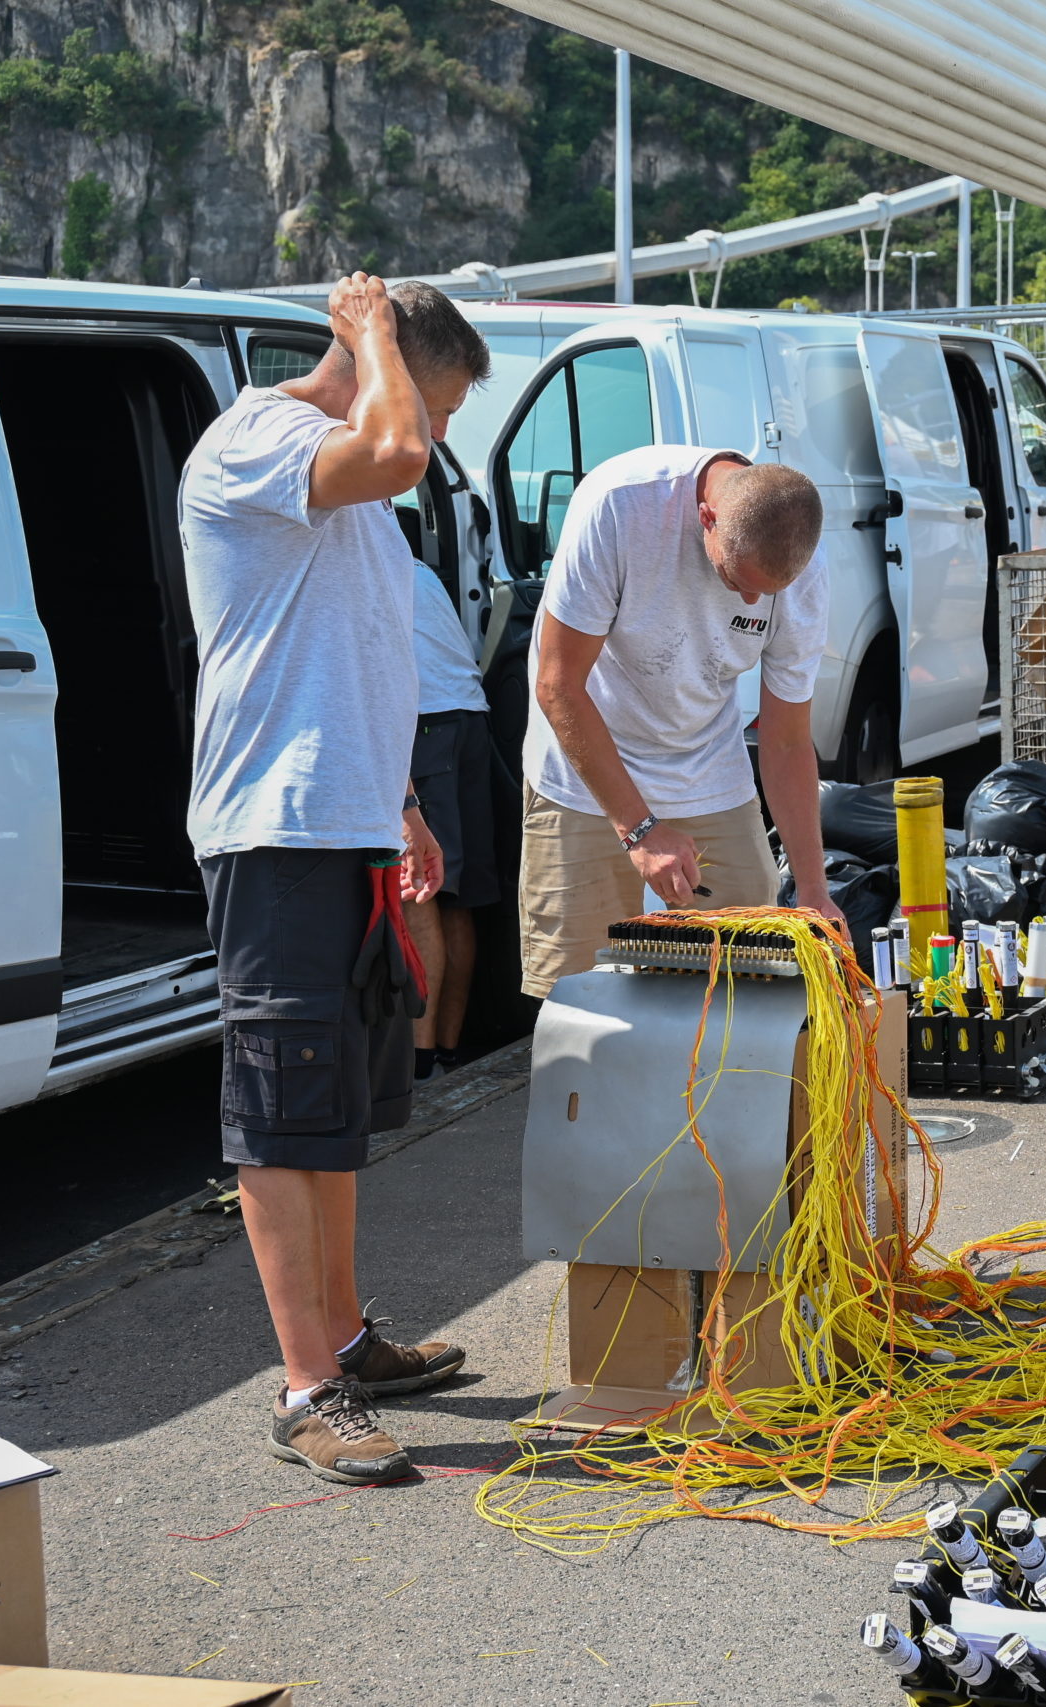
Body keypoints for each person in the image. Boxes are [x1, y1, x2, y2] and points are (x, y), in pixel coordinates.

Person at [179, 274, 488, 1485]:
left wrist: (399, 801)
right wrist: (372, 335)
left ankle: (349, 1339)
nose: (438, 435)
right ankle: (307, 1388)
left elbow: (353, 649)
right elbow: (398, 449)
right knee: (280, 1111)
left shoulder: (355, 488)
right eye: (440, 403)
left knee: (340, 1107)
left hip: (345, 826)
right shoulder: (258, 440)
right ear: (376, 367)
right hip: (275, 831)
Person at [521, 446, 844, 999]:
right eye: (736, 580)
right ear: (706, 518)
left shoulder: (802, 567)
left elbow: (787, 741)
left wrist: (814, 888)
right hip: (585, 769)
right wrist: (640, 830)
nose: (751, 599)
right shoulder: (619, 505)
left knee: (750, 979)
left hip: (706, 766)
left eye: (766, 593)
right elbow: (558, 686)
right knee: (577, 998)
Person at [404, 560, 502, 1081]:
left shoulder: (362, 557)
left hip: (424, 720)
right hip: (469, 715)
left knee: (421, 890)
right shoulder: (420, 569)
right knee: (456, 898)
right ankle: (447, 1052)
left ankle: (418, 1065)